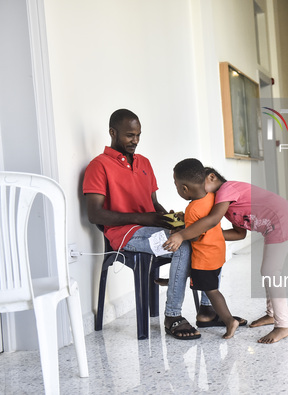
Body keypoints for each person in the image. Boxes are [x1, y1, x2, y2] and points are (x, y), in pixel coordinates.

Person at [82, 109, 216, 340]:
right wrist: (143, 219)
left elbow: (153, 204)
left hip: (151, 228)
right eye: (129, 135)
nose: (135, 141)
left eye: (138, 135)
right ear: (113, 132)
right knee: (181, 246)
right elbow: (95, 214)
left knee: (201, 236)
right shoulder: (99, 165)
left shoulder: (144, 162)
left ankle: (207, 308)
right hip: (125, 235)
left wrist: (171, 220)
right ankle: (173, 316)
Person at [163, 168, 288, 344]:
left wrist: (183, 235)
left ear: (212, 177)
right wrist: (193, 229)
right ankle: (271, 314)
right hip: (274, 224)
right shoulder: (227, 206)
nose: (200, 191)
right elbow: (239, 234)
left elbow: (212, 220)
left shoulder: (227, 189)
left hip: (283, 219)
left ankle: (283, 325)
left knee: (271, 271)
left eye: (201, 184)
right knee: (267, 271)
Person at [172, 158, 246, 339]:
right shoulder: (213, 198)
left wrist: (180, 231)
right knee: (206, 283)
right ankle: (171, 283)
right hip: (217, 253)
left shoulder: (192, 210)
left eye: (176, 185)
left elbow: (195, 235)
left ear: (184, 189)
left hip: (204, 258)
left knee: (212, 292)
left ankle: (229, 320)